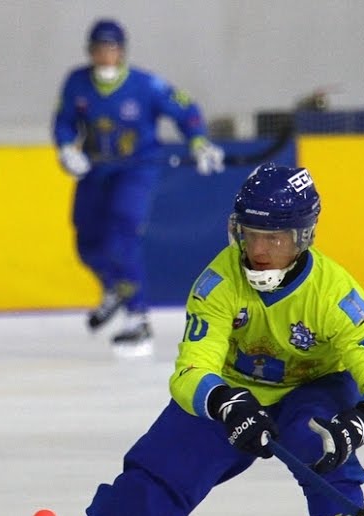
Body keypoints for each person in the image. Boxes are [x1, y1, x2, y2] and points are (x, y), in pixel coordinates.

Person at [0, 163, 364, 516]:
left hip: (312, 388)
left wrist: (358, 422)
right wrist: (224, 401)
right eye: (251, 235)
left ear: (303, 237)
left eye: (274, 239)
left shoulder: (338, 297)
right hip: (232, 390)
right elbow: (190, 370)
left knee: (323, 449)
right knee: (145, 489)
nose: (258, 251)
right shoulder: (217, 282)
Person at [53, 18, 226, 356]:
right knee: (87, 244)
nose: (105, 55)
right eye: (99, 49)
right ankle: (114, 289)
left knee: (122, 232)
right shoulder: (77, 83)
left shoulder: (146, 86)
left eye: (111, 48)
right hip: (95, 169)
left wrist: (199, 141)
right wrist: (65, 149)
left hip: (135, 170)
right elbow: (63, 122)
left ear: (122, 52)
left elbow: (185, 108)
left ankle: (138, 318)